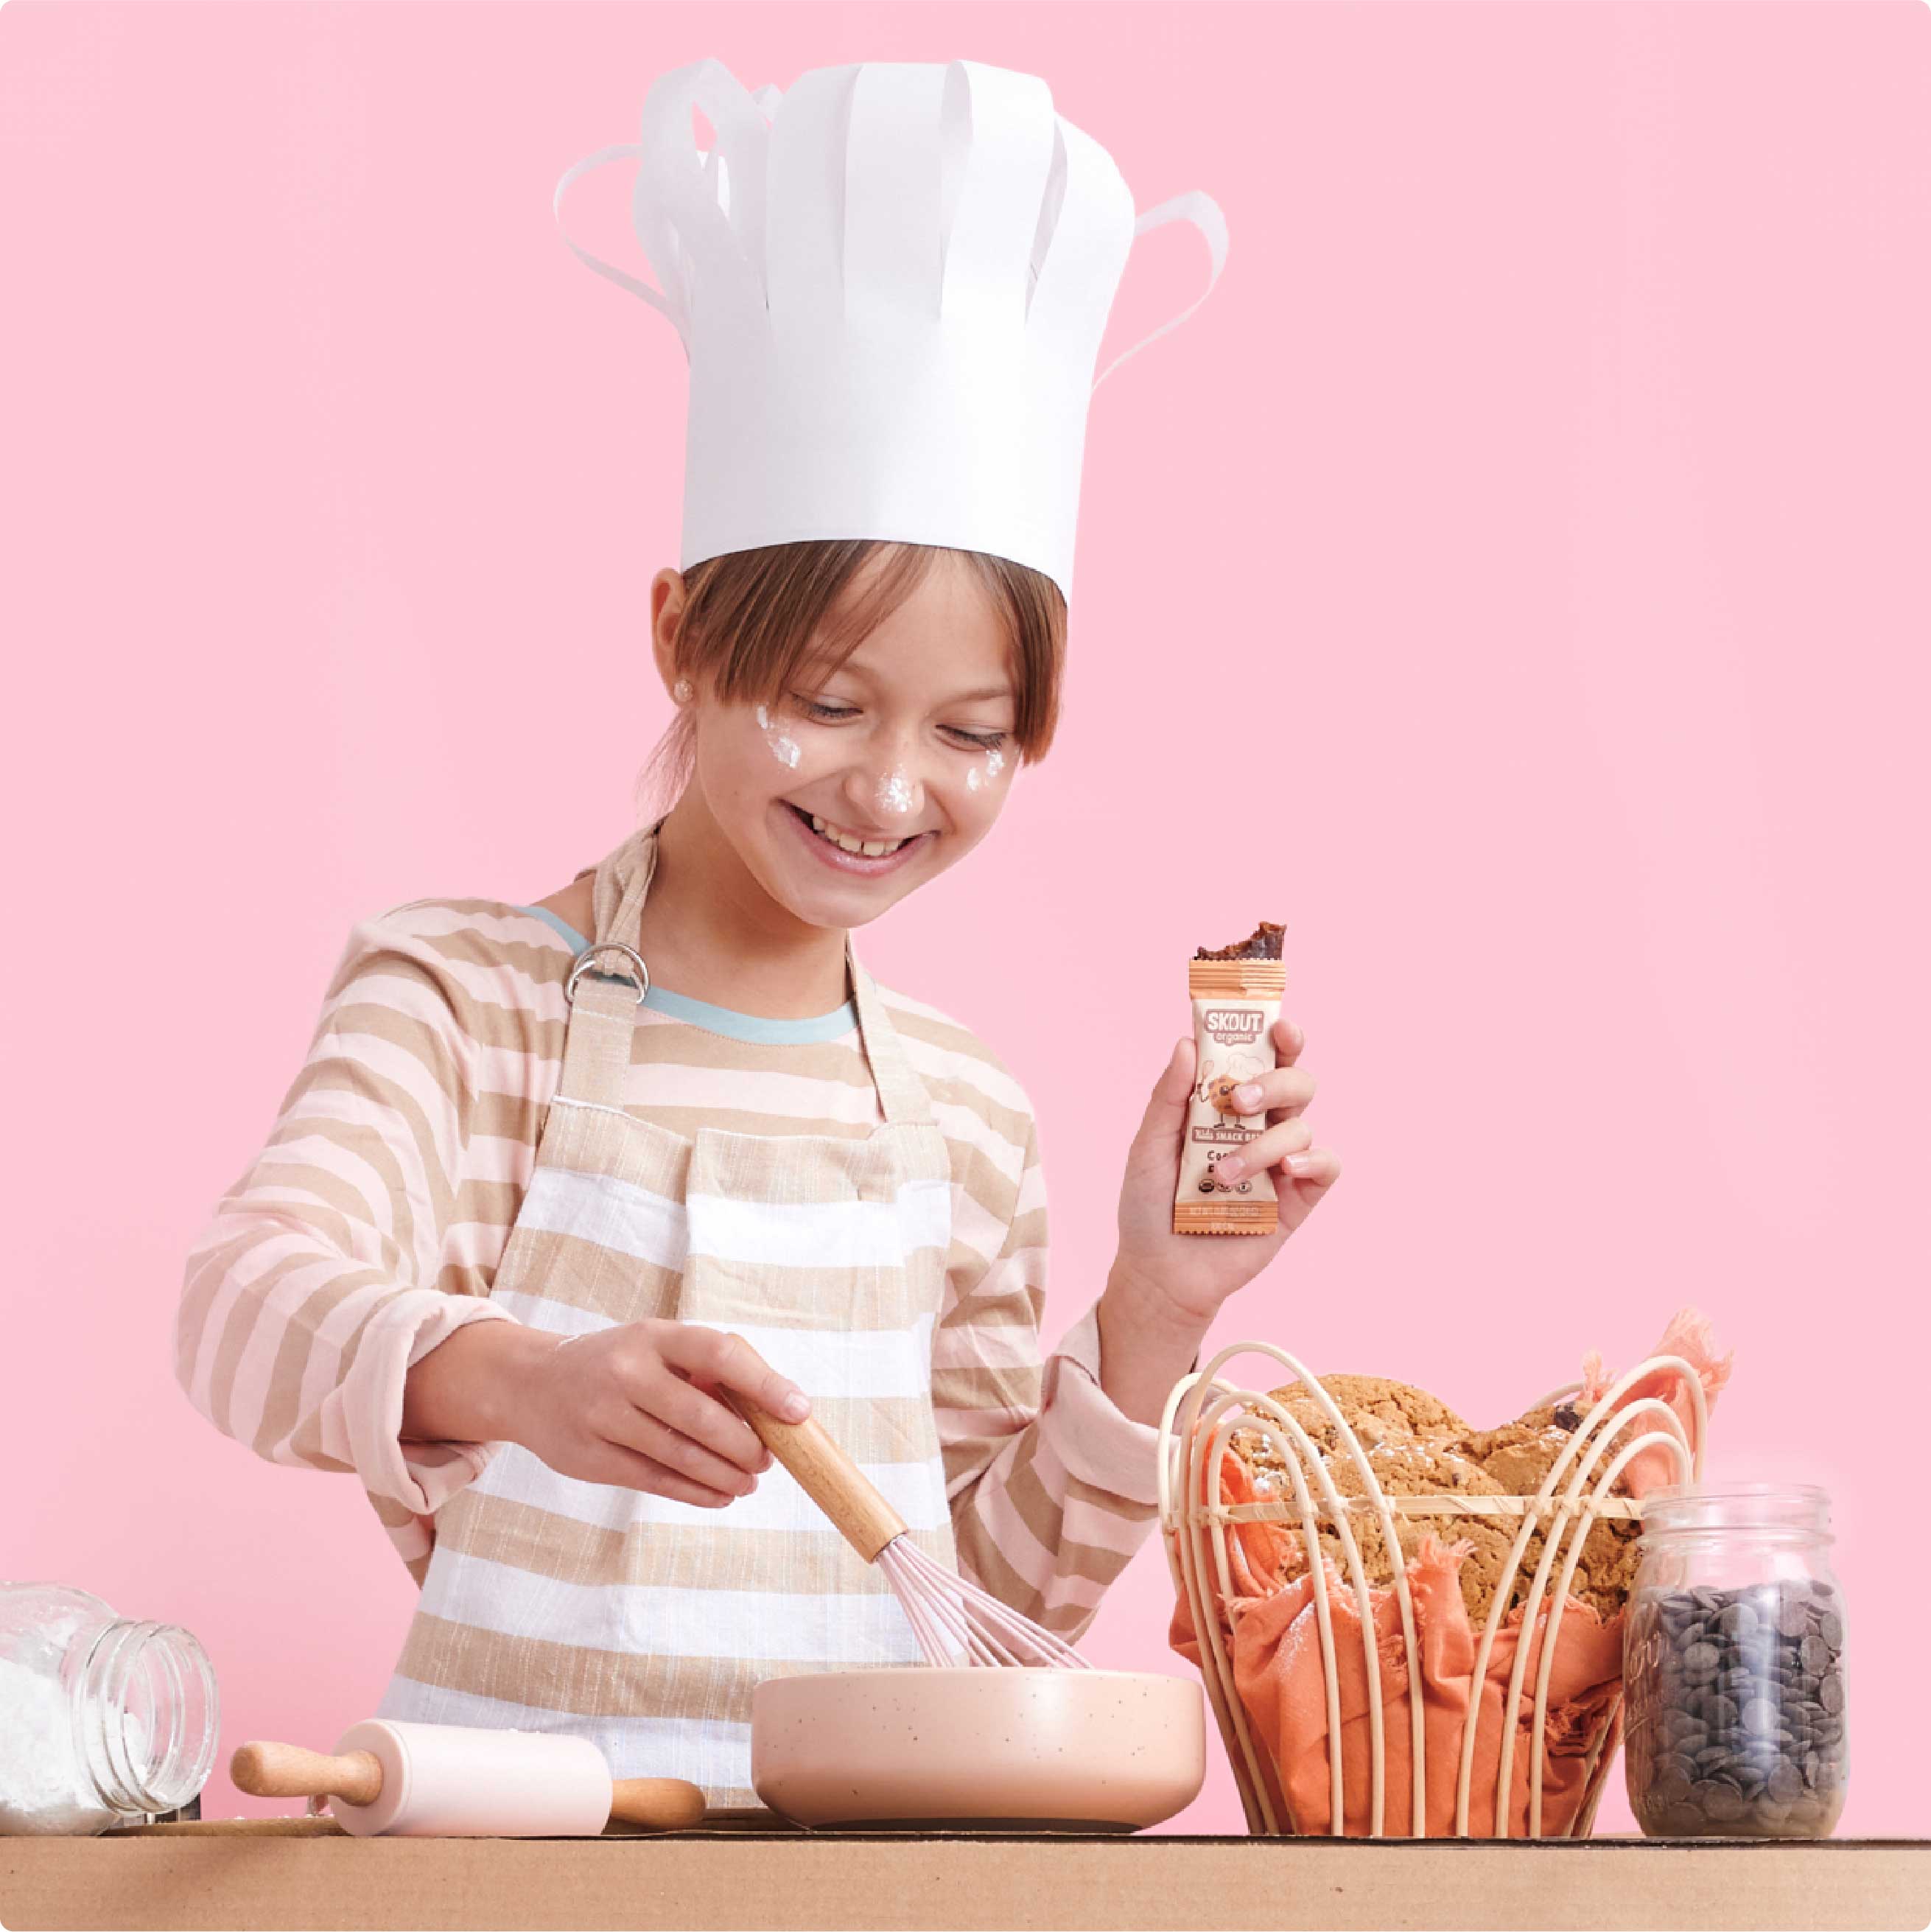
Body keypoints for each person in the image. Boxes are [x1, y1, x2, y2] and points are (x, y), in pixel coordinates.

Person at [175, 56, 1339, 1808]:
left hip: (850, 1888)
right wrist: (526, 1382)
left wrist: (1156, 1308)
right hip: (514, 1871)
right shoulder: (468, 1003)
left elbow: (969, 1615)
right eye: (824, 701)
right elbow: (241, 1312)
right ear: (681, 639)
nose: (886, 791)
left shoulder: (961, 1116)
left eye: (967, 733)